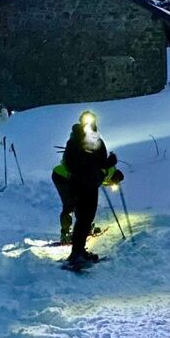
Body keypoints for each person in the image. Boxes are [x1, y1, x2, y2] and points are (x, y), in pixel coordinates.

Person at [61, 110, 122, 266]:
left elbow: (100, 163)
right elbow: (71, 163)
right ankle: (77, 253)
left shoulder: (89, 140)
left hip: (86, 183)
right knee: (84, 218)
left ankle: (79, 251)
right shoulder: (78, 140)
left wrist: (109, 162)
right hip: (84, 183)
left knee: (85, 218)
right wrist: (104, 163)